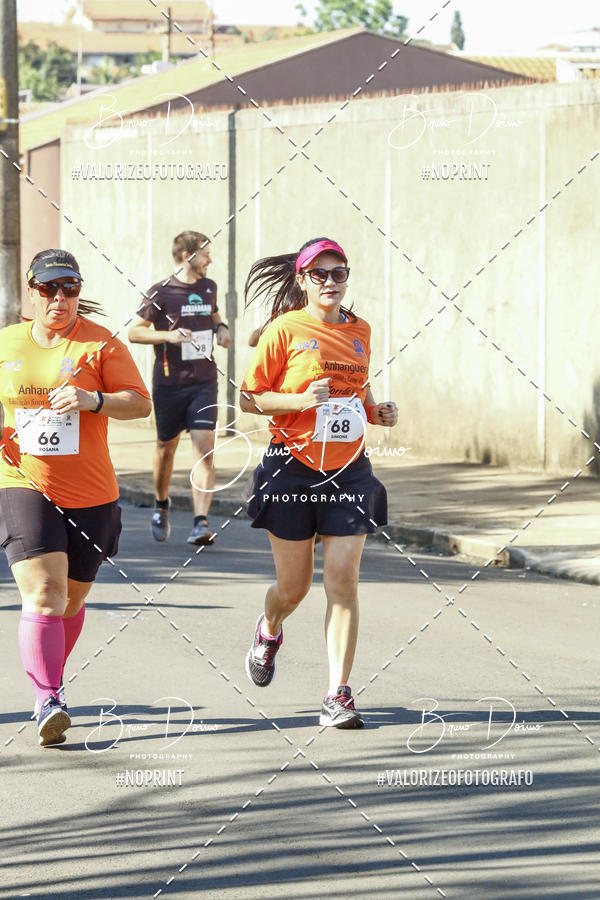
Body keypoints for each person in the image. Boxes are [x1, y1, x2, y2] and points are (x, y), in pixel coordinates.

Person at [239, 237, 398, 728]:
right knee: (294, 588)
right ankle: (269, 628)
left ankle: (338, 694)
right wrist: (300, 401)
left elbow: (358, 387)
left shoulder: (361, 330)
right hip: (291, 465)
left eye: (339, 273)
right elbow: (248, 398)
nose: (330, 282)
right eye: (320, 274)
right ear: (303, 280)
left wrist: (375, 410)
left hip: (349, 468)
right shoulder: (284, 330)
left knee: (343, 580)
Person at [0, 249, 152, 747]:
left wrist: (94, 400)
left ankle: (50, 681)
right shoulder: (7, 343)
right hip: (22, 481)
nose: (59, 298)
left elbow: (140, 403)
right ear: (32, 291)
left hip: (92, 492)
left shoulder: (100, 344)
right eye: (49, 288)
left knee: (71, 600)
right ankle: (48, 699)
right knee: (45, 592)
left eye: (69, 288)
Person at [128, 231, 232, 546]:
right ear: (188, 256)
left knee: (205, 450)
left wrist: (221, 328)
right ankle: (162, 503)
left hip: (204, 382)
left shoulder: (208, 287)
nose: (210, 260)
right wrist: (168, 336)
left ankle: (201, 523)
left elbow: (213, 313)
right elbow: (134, 333)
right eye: (205, 254)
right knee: (166, 449)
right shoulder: (161, 292)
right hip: (169, 384)